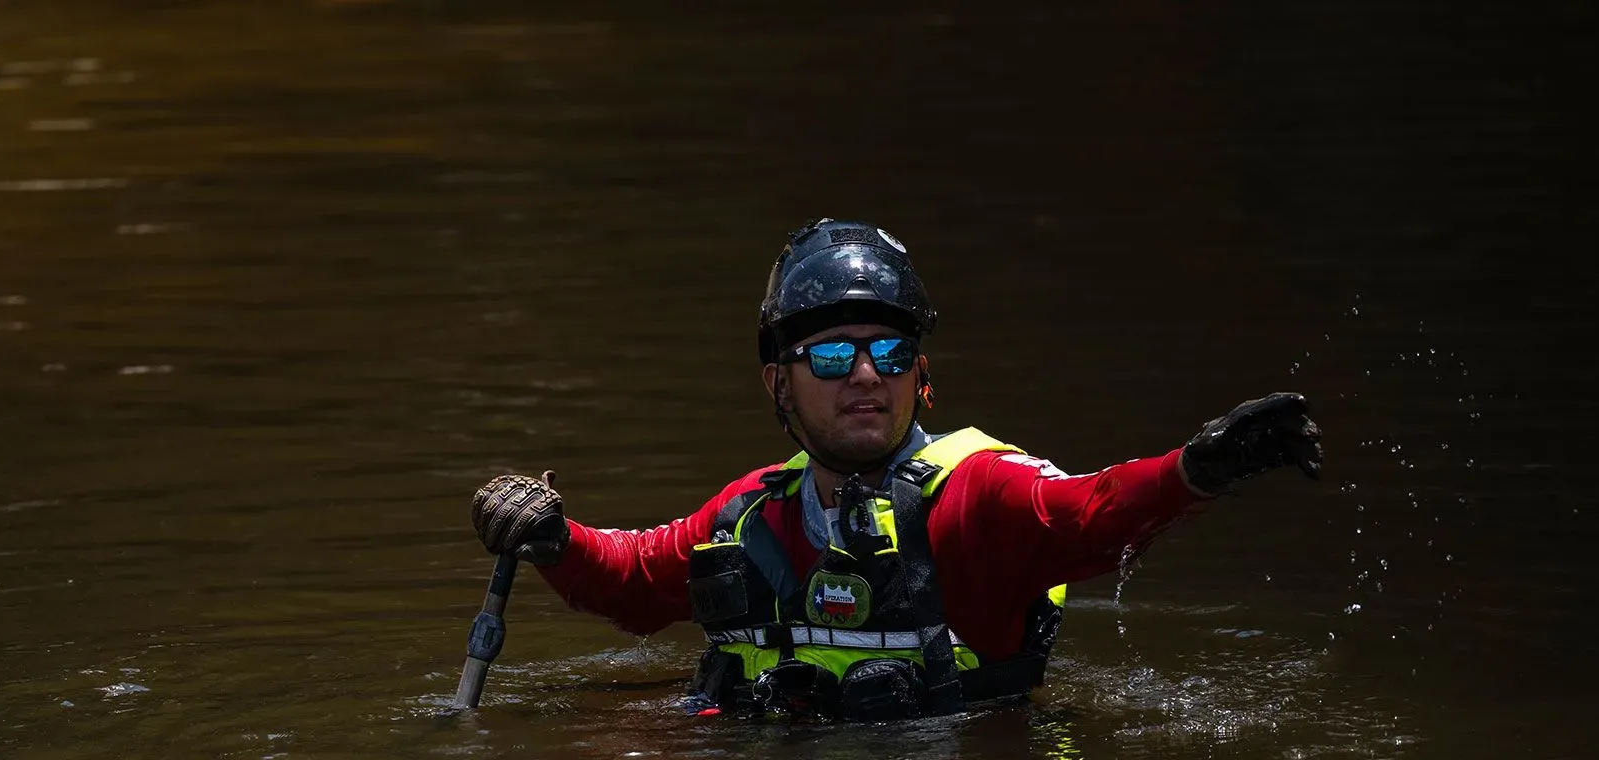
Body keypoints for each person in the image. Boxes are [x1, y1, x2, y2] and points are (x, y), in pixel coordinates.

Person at [468, 218, 1325, 722]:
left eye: (891, 349)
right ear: (779, 382)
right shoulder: (749, 518)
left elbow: (1093, 512)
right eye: (833, 353)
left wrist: (1196, 469)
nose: (867, 373)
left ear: (922, 374)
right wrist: (550, 536)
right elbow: (630, 580)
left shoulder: (981, 494)